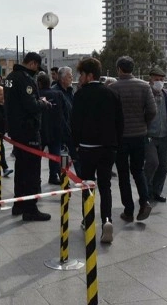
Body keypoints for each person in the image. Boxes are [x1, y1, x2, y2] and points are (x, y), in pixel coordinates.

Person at [72, 57, 123, 244]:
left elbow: (74, 123)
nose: (80, 78)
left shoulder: (80, 95)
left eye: (82, 74)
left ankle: (88, 219)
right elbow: (120, 122)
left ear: (89, 75)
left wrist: (75, 144)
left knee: (88, 185)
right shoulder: (112, 94)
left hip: (87, 148)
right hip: (108, 148)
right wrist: (115, 143)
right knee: (105, 186)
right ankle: (107, 220)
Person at [4, 52, 52, 221]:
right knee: (31, 170)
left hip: (16, 130)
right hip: (28, 130)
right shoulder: (25, 80)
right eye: (36, 69)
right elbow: (30, 105)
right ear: (32, 64)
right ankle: (30, 209)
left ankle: (18, 204)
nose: (36, 72)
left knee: (21, 169)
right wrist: (43, 103)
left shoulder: (10, 77)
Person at [109, 56, 156, 222]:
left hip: (120, 137)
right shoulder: (144, 86)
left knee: (123, 174)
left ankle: (128, 210)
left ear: (119, 69)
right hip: (139, 135)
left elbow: (110, 113)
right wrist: (144, 123)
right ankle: (144, 201)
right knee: (138, 170)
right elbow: (152, 110)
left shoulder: (113, 87)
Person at [144, 67, 167, 203]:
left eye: (161, 79)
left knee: (163, 166)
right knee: (153, 162)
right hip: (149, 136)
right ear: (150, 79)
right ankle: (145, 190)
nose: (159, 82)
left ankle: (156, 192)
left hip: (165, 136)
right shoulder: (146, 94)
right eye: (156, 79)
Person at [37, 73, 65, 185]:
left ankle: (37, 178)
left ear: (39, 83)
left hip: (40, 131)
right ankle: (54, 176)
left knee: (37, 156)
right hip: (56, 130)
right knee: (55, 155)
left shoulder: (36, 95)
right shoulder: (58, 94)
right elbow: (65, 112)